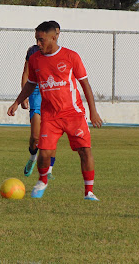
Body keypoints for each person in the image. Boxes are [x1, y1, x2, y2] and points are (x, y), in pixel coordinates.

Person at [8, 21, 103, 200]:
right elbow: (31, 84)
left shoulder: (71, 56)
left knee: (85, 151)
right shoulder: (35, 59)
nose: (38, 44)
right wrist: (17, 101)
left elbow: (85, 85)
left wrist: (93, 112)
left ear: (54, 36)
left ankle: (88, 192)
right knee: (43, 153)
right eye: (36, 39)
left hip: (73, 114)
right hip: (50, 116)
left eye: (41, 40)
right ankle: (42, 180)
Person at [21, 21, 60, 179]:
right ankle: (32, 158)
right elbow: (26, 73)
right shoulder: (33, 51)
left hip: (52, 93)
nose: (38, 42)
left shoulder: (60, 53)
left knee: (52, 135)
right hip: (36, 92)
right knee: (35, 137)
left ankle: (49, 170)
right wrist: (23, 96)